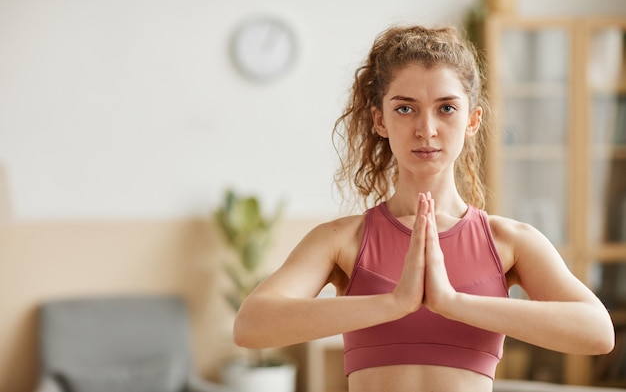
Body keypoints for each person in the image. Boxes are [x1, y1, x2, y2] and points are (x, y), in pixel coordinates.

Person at [232, 24, 615, 391]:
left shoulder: (510, 242)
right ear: (379, 119)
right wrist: (393, 302)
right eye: (405, 109)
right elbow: (251, 325)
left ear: (473, 119)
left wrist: (453, 302)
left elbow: (597, 332)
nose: (426, 129)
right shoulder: (341, 240)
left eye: (446, 108)